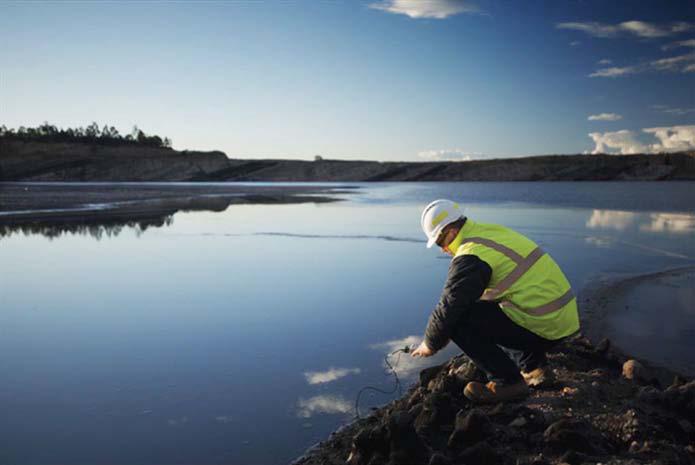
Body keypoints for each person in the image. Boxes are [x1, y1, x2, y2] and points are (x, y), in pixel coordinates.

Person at [411, 199, 580, 403]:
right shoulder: (489, 232)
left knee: (458, 320)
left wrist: (430, 343)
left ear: (452, 231)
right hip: (561, 317)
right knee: (492, 306)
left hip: (546, 326)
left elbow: (449, 306)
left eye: (440, 242)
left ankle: (508, 382)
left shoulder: (471, 254)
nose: (443, 249)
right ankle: (534, 368)